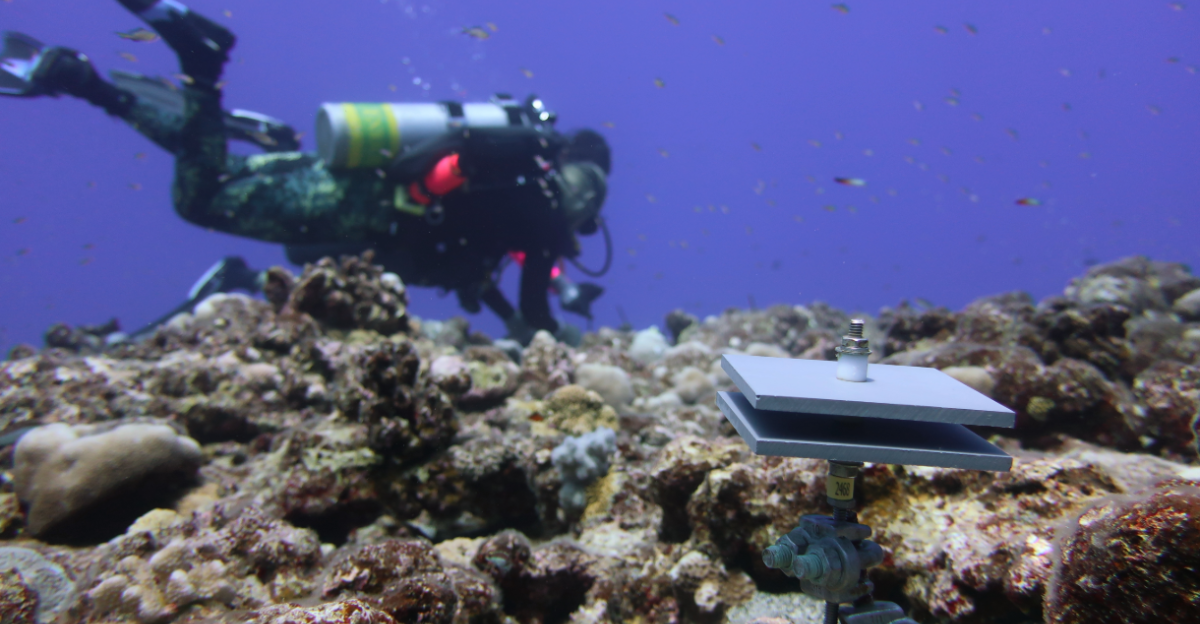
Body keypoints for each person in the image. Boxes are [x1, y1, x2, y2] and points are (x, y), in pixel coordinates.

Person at [0, 0, 611, 344]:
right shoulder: (543, 216)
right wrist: (551, 343)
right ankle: (202, 64)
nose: (585, 211)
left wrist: (501, 309)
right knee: (205, 199)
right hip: (359, 202)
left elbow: (480, 267)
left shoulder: (520, 182)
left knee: (218, 179)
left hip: (355, 181)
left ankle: (85, 84)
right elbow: (537, 316)